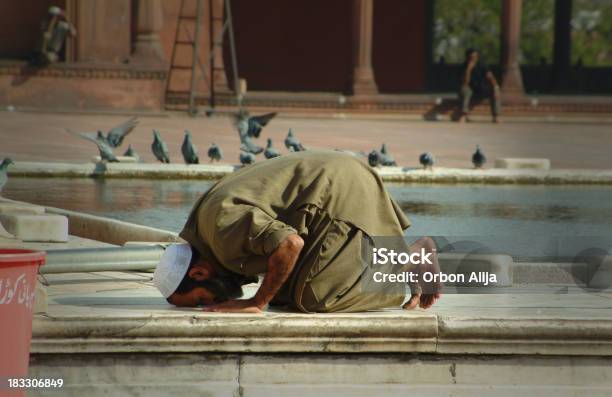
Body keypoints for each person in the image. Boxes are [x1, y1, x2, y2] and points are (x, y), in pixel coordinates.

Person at [153, 151, 442, 313]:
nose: (212, 305)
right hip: (333, 182)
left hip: (338, 191)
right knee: (284, 294)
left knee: (314, 298)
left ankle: (411, 258)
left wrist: (256, 302)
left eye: (202, 300)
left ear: (199, 274)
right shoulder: (205, 230)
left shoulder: (221, 231)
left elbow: (290, 244)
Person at [458, 48, 501, 123]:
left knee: (495, 91)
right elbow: (465, 83)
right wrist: (468, 70)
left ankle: (496, 116)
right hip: (471, 89)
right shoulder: (464, 66)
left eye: (475, 57)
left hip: (483, 87)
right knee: (464, 89)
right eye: (471, 57)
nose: (473, 59)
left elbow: (490, 77)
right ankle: (464, 114)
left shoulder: (482, 65)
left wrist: (496, 87)